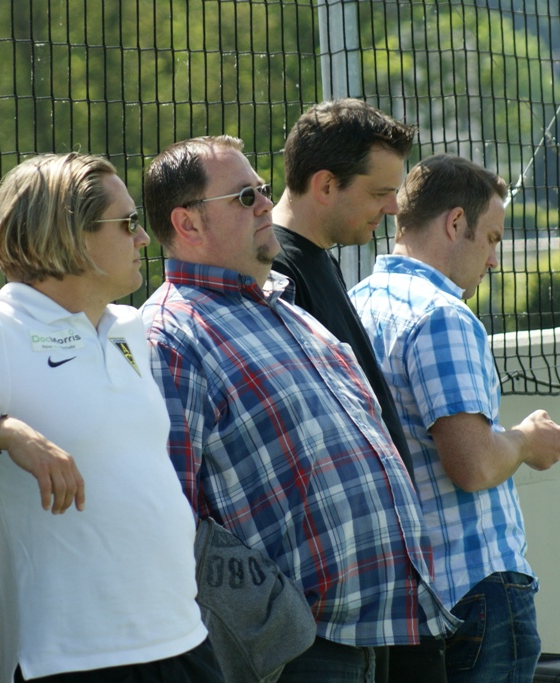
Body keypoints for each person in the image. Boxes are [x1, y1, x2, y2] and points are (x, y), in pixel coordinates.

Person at [0, 153, 220, 683]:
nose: (143, 238)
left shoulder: (129, 327)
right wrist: (5, 433)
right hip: (69, 659)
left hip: (184, 640)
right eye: (127, 222)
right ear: (71, 236)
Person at [139, 135, 458, 683]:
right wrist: (272, 622)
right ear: (187, 223)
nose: (267, 203)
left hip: (374, 633)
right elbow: (169, 519)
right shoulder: (168, 336)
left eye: (262, 189)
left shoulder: (289, 312)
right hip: (296, 653)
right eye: (245, 197)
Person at [349, 153, 560, 683]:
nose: (494, 260)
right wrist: (525, 440)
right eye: (492, 239)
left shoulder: (355, 305)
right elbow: (473, 465)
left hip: (401, 598)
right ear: (456, 223)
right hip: (474, 593)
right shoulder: (442, 316)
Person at [270, 98, 417, 482]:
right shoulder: (276, 274)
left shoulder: (316, 257)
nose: (393, 207)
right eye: (379, 193)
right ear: (326, 185)